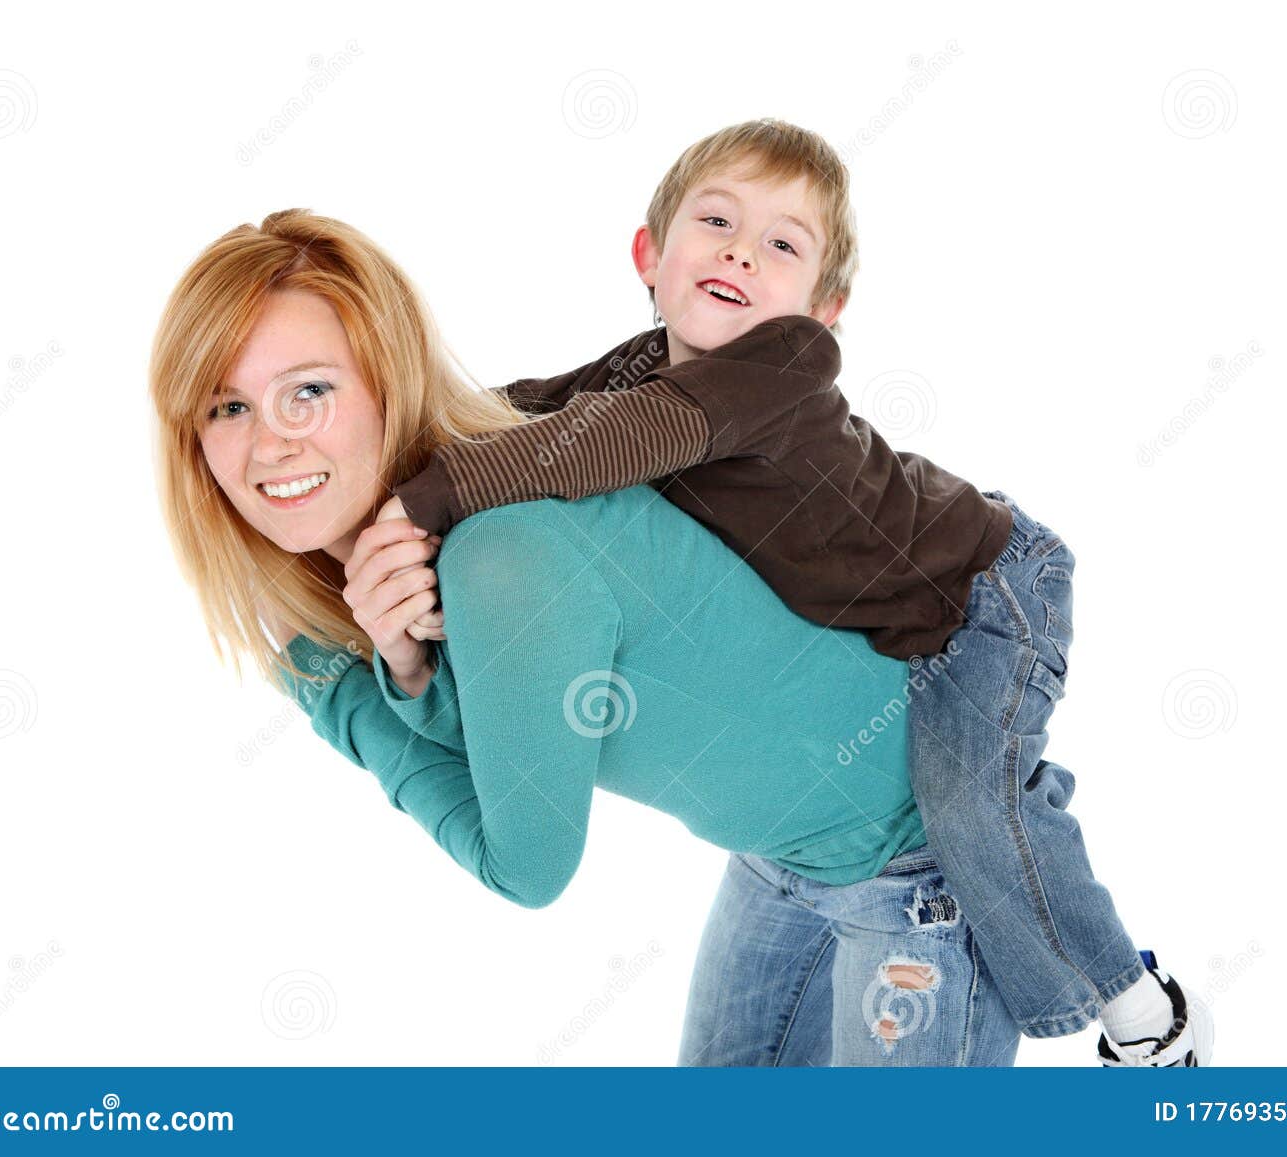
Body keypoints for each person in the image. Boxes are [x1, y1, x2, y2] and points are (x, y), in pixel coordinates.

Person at [382, 118, 1214, 1065]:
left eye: (783, 245)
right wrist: (406, 442)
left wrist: (419, 503)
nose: (742, 249)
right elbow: (530, 411)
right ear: (650, 255)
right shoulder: (643, 368)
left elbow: (596, 443)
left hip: (989, 589)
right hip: (899, 627)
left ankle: (1136, 1006)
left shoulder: (777, 369)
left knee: (971, 797)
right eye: (718, 222)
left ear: (822, 309)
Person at [147, 208, 1022, 1065]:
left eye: (309, 390)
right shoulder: (402, 563)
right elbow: (490, 734)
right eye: (228, 406)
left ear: (391, 379)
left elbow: (525, 864)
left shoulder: (501, 549)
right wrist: (402, 666)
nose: (271, 445)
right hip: (784, 858)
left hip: (926, 862)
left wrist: (348, 685)